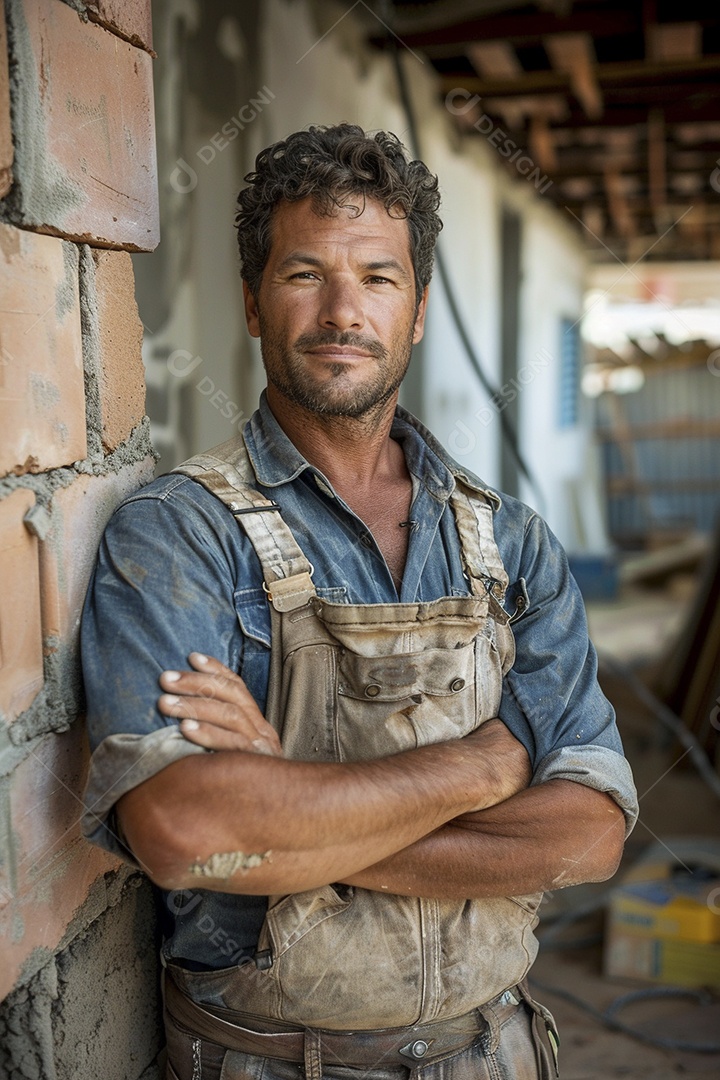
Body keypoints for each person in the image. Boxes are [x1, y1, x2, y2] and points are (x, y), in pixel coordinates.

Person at [82, 123, 638, 1080]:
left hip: (491, 1052)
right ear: (254, 302)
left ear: (418, 310)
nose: (345, 310)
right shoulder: (179, 534)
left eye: (378, 278)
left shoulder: (509, 546)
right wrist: (483, 764)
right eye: (305, 274)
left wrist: (291, 816)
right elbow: (187, 836)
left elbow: (588, 837)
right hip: (264, 1062)